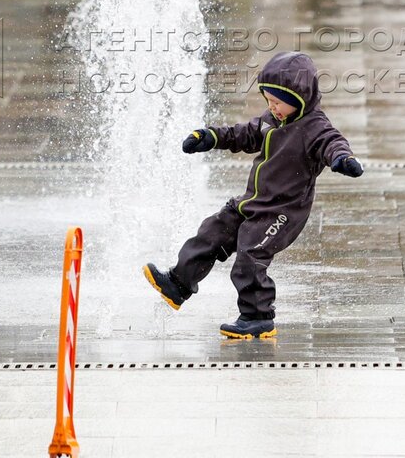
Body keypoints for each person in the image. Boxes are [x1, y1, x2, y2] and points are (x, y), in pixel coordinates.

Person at [142, 51, 363, 340]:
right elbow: (242, 134)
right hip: (253, 202)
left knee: (251, 253)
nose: (273, 107)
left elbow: (333, 143)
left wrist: (342, 159)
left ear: (300, 98)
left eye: (278, 102)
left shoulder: (314, 128)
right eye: (268, 100)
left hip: (282, 212)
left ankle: (258, 318)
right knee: (211, 232)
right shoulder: (271, 120)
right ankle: (178, 283)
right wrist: (210, 137)